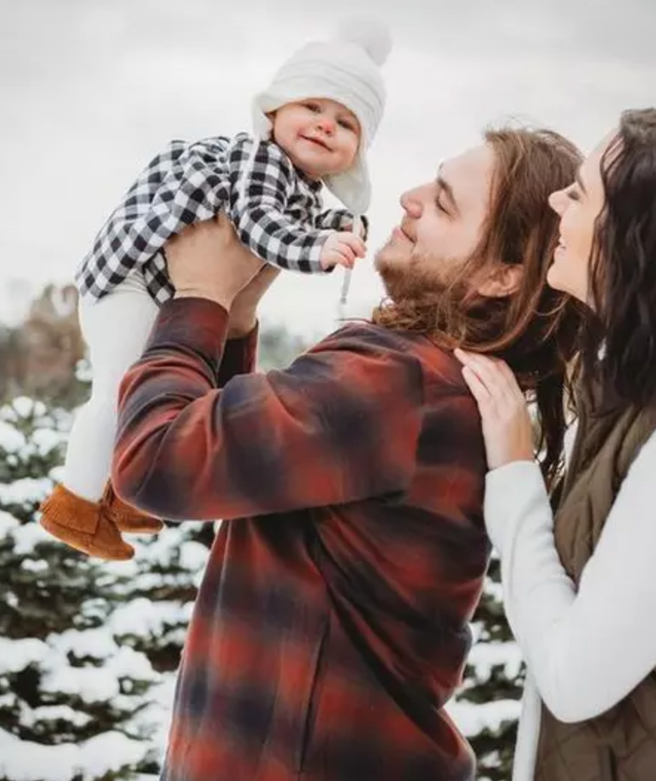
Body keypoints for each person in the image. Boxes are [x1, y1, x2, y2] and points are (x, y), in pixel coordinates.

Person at [110, 125, 583, 781]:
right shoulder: (431, 380)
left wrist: (199, 297)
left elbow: (158, 461)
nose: (412, 198)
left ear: (503, 275)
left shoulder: (398, 379)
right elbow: (246, 464)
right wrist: (239, 318)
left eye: (444, 202)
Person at [38, 19, 391, 560]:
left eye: (345, 122)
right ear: (273, 112)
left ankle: (122, 496)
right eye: (312, 107)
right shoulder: (260, 158)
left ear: (355, 153)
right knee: (118, 388)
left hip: (156, 292)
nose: (325, 125)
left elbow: (300, 218)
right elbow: (257, 224)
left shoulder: (297, 184)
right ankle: (76, 504)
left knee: (139, 387)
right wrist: (316, 252)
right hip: (128, 281)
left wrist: (344, 227)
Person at [455, 107, 656, 781]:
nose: (553, 202)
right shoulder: (620, 395)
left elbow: (573, 675)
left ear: (629, 239)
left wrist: (513, 474)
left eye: (578, 193)